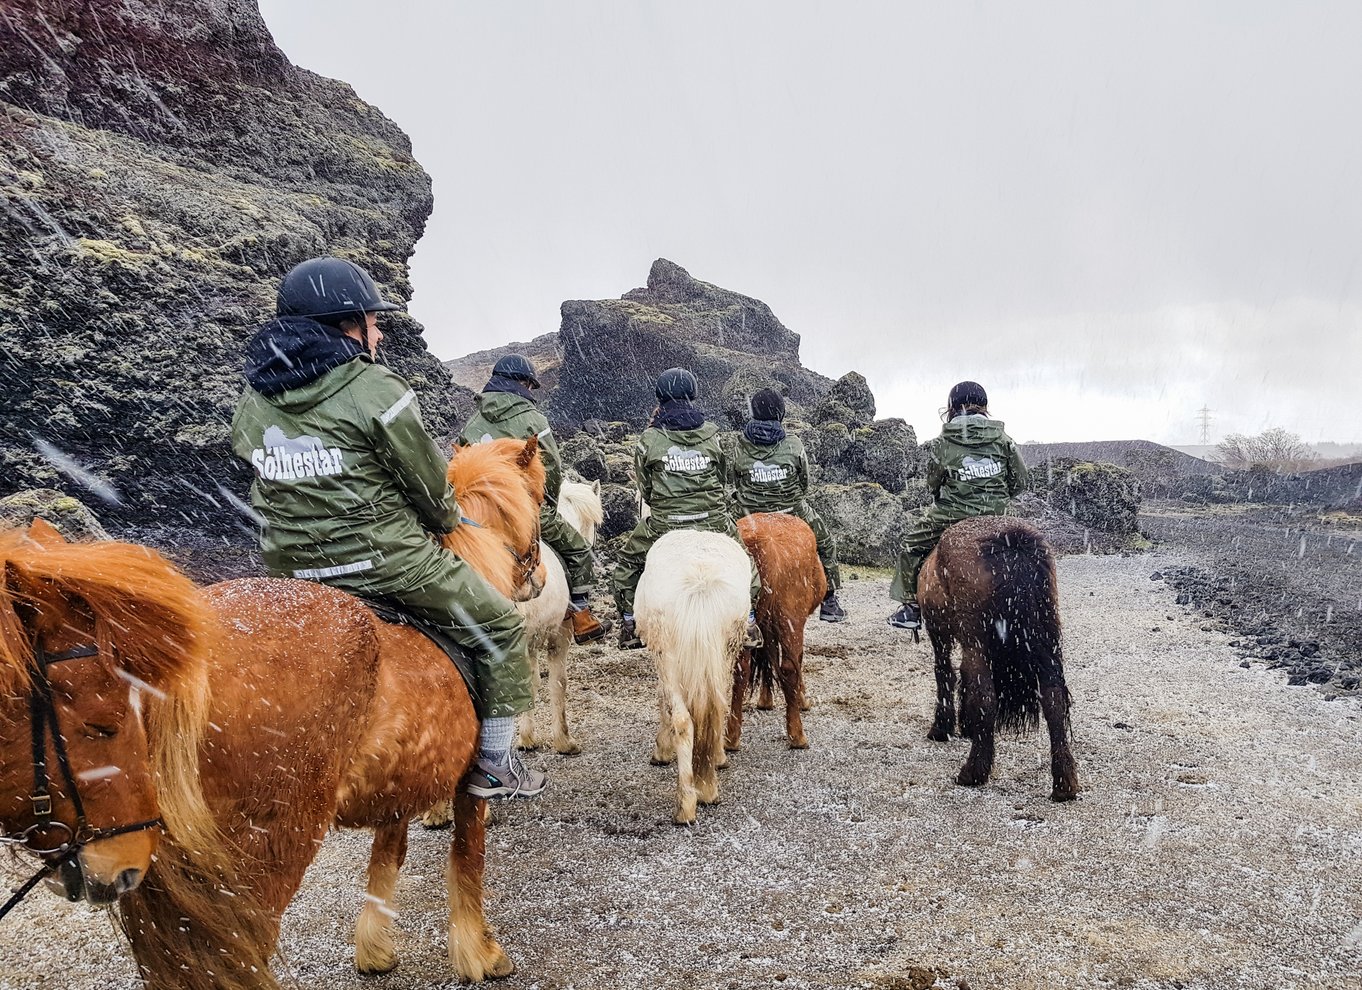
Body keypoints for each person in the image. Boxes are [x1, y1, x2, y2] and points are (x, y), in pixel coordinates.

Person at [230, 256, 544, 799]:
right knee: (498, 625)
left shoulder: (255, 399)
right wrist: (447, 520)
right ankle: (496, 765)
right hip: (383, 562)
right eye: (372, 321)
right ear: (344, 326)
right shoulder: (373, 387)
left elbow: (255, 471)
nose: (378, 332)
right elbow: (428, 485)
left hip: (289, 569)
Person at [458, 353, 608, 644]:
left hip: (477, 513)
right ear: (524, 383)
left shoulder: (473, 422)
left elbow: (462, 464)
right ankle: (580, 614)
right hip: (523, 508)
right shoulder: (532, 418)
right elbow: (551, 465)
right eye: (530, 385)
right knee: (578, 550)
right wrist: (546, 501)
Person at [612, 367, 764, 650]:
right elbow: (722, 477)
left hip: (665, 521)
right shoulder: (712, 434)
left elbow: (645, 488)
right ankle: (750, 621)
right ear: (692, 395)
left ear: (661, 397)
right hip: (713, 519)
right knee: (746, 562)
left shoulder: (649, 439)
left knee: (626, 566)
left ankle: (630, 624)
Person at [888, 380, 1028, 630]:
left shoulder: (944, 441)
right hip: (996, 514)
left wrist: (953, 495)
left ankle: (910, 607)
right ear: (984, 406)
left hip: (953, 513)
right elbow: (1020, 481)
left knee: (911, 546)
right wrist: (995, 499)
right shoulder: (1003, 438)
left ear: (952, 408)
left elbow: (933, 482)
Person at [729, 388, 846, 622]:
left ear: (754, 412)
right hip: (791, 508)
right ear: (780, 413)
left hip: (748, 511)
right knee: (825, 542)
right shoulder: (793, 443)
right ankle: (830, 599)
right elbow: (805, 482)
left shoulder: (740, 444)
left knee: (719, 538)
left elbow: (734, 479)